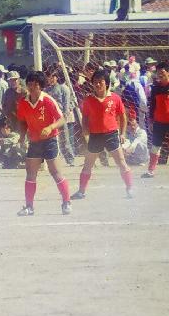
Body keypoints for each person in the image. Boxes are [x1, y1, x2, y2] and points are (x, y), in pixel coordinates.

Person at [15, 71, 73, 216]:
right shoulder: (23, 102)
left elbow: (62, 119)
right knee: (30, 174)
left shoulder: (47, 100)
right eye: (29, 83)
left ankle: (66, 202)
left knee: (55, 172)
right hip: (34, 141)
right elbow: (22, 121)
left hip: (50, 141)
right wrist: (22, 136)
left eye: (36, 84)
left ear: (41, 86)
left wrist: (50, 127)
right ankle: (29, 207)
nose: (32, 86)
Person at [71, 70, 133, 200]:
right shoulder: (88, 100)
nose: (98, 84)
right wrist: (85, 132)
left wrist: (122, 133)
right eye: (95, 82)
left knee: (121, 162)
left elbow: (123, 116)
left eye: (100, 82)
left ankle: (130, 189)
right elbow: (85, 118)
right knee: (88, 164)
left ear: (107, 83)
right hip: (95, 136)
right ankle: (81, 191)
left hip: (111, 134)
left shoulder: (115, 98)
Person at [45, 69, 76, 166]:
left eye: (53, 76)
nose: (51, 79)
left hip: (60, 117)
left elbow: (66, 103)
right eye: (49, 77)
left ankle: (70, 160)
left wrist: (65, 116)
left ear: (57, 77)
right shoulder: (46, 90)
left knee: (65, 140)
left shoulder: (63, 88)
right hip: (50, 118)